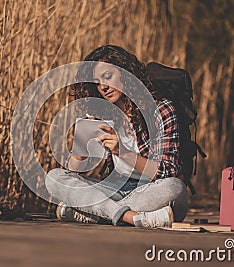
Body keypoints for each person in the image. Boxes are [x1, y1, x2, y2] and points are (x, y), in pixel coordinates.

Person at [45, 45, 188, 228]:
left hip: (149, 191)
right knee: (54, 178)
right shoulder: (102, 112)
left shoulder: (160, 110)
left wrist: (122, 151)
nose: (103, 87)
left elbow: (168, 172)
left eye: (108, 77)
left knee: (174, 188)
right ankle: (131, 217)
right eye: (97, 82)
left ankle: (96, 213)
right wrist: (80, 147)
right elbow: (72, 173)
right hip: (112, 189)